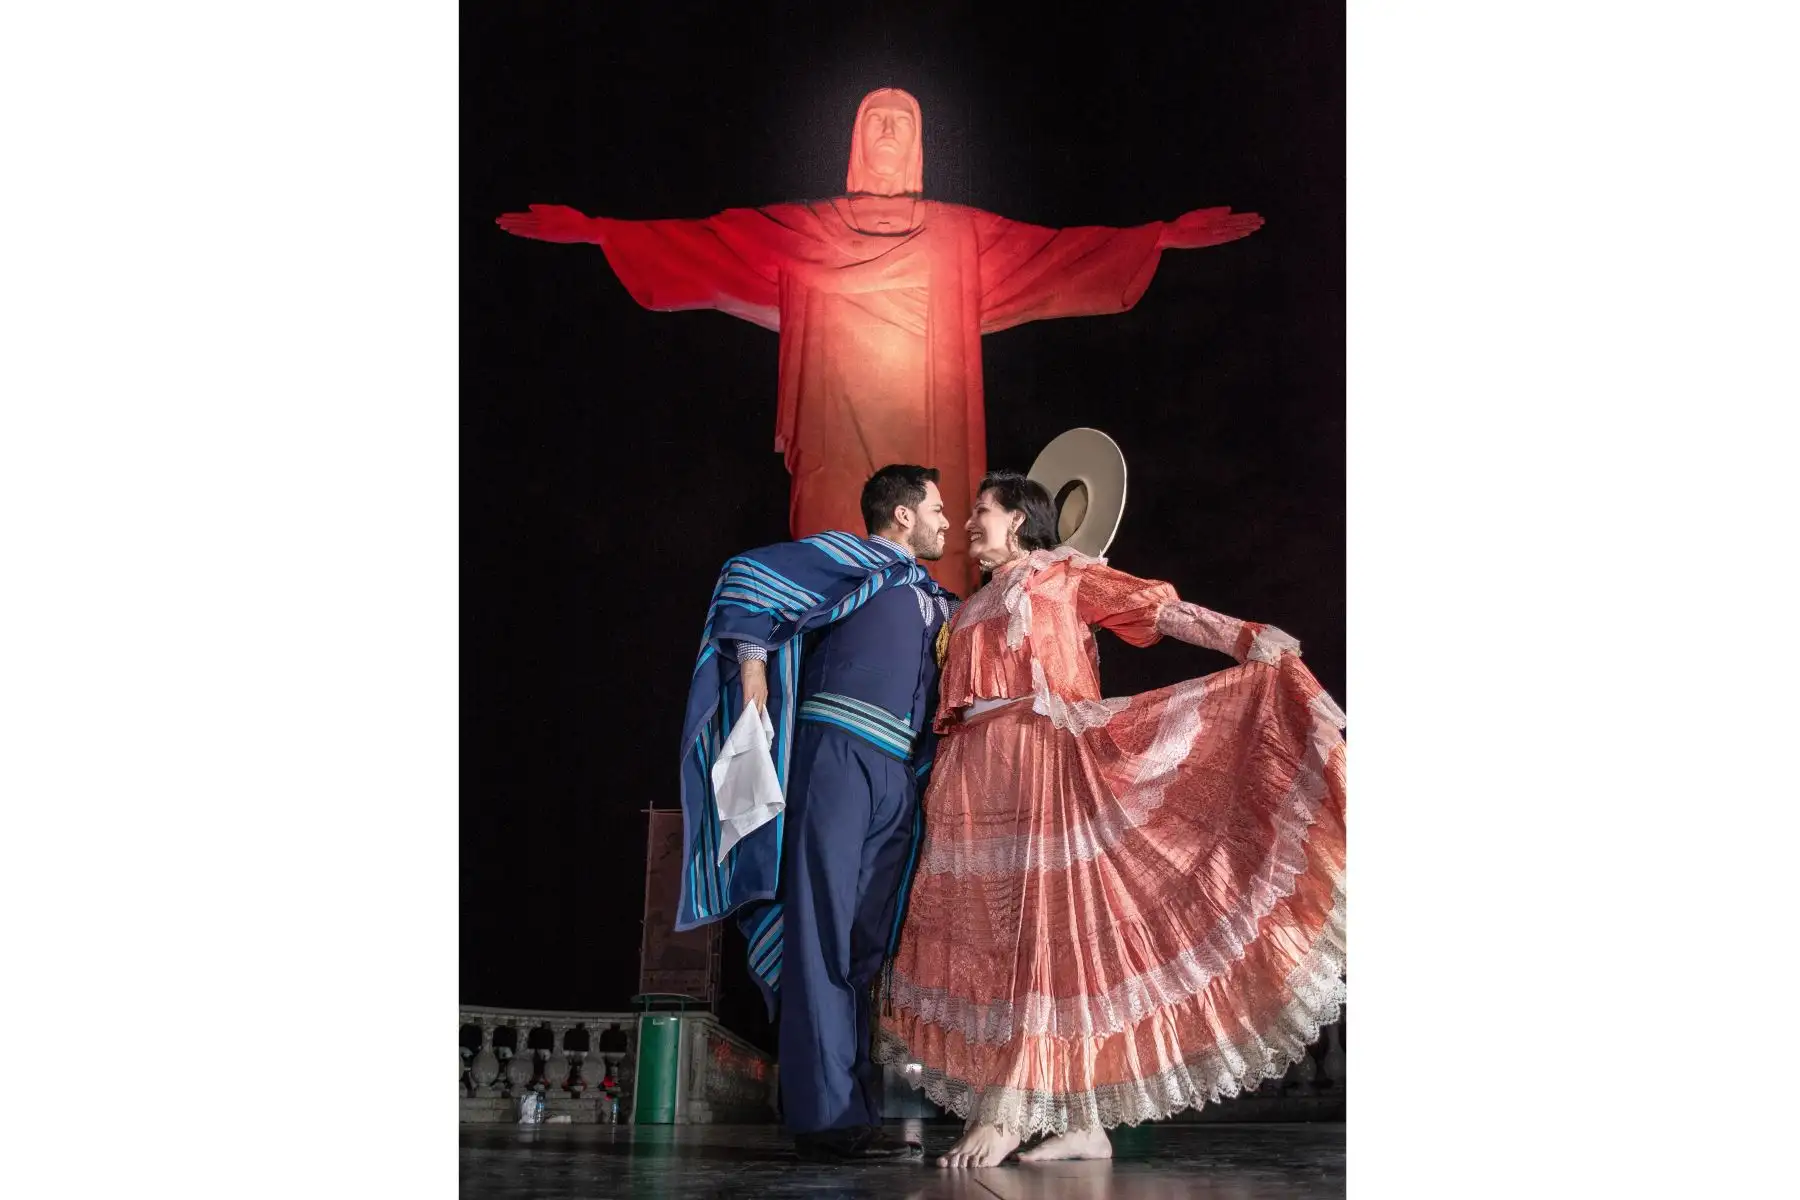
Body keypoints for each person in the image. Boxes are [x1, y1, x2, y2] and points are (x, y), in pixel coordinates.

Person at [496, 86, 1262, 590]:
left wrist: (1156, 238)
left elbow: (1057, 254)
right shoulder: (806, 230)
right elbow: (705, 244)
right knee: (833, 574)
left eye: (903, 121)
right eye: (876, 120)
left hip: (930, 439)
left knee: (934, 571)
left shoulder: (959, 237)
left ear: (920, 143)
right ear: (857, 140)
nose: (889, 131)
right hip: (836, 441)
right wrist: (600, 231)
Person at [876, 472, 1347, 1167]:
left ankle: (1011, 1110)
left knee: (1043, 934)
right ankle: (1084, 1124)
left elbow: (1158, 609)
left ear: (1019, 520)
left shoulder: (1063, 576)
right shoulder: (967, 606)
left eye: (981, 510)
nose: (970, 523)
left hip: (1040, 758)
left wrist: (1244, 637)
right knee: (990, 939)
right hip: (971, 771)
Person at [675, 465, 958, 1161]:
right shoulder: (850, 557)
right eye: (937, 509)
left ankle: (854, 1112)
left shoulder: (938, 600)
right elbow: (747, 576)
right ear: (901, 515)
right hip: (837, 754)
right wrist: (753, 672)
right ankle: (824, 1118)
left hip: (899, 775)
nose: (947, 522)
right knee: (821, 933)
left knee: (864, 946)